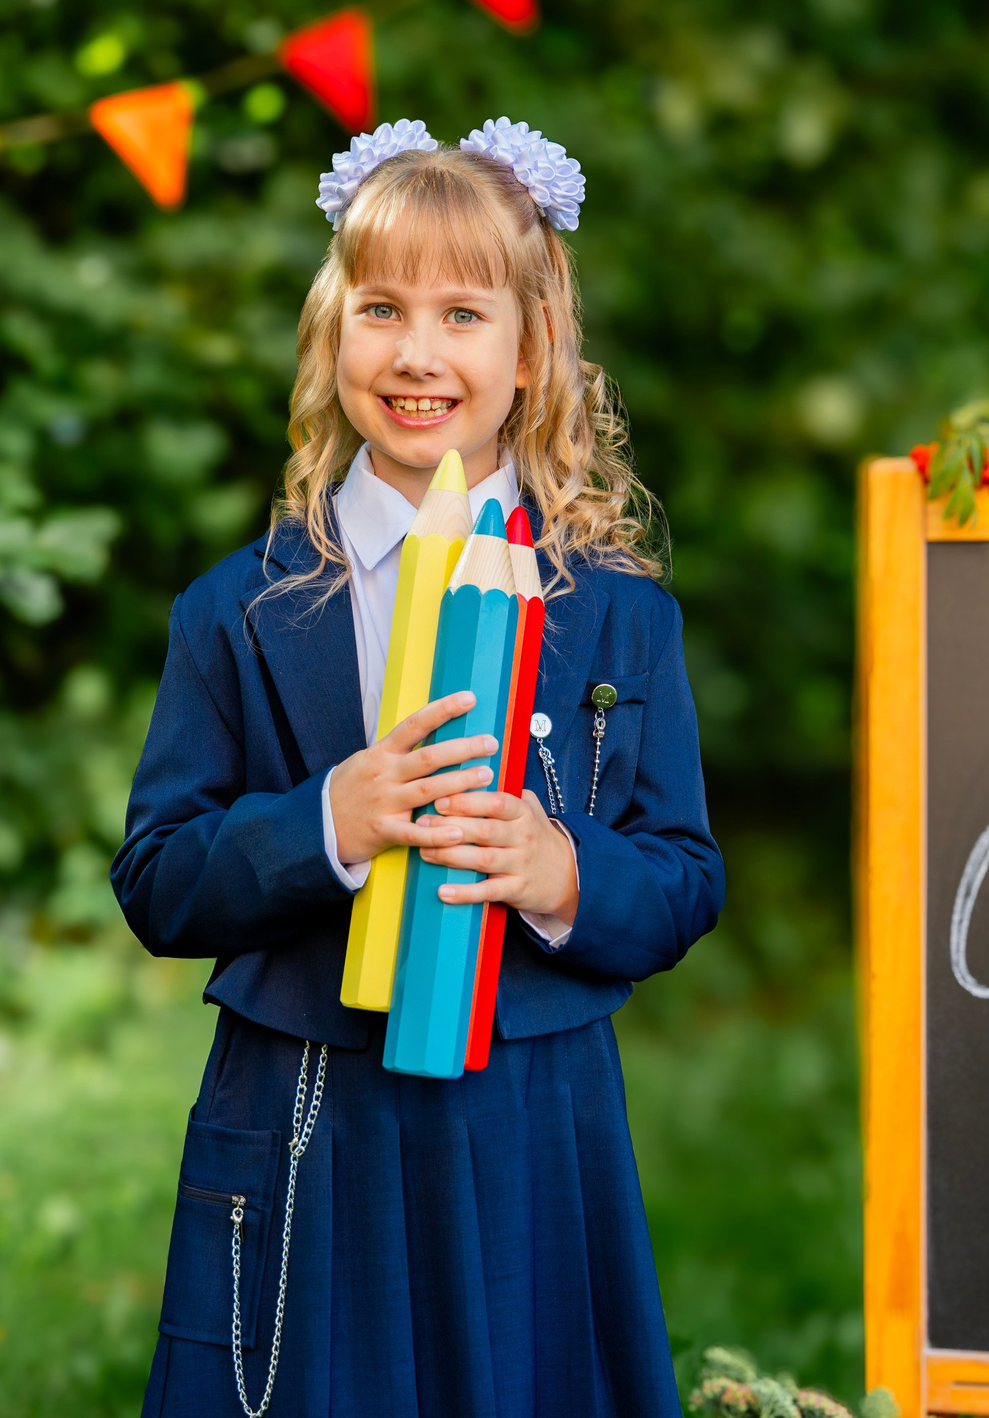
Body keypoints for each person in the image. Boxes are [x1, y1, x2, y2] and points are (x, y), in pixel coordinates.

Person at [115, 117, 725, 1418]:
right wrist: (326, 820)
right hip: (307, 1109)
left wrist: (562, 872)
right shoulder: (235, 611)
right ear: (333, 333)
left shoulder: (620, 615)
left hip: (531, 1111)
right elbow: (159, 882)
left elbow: (681, 879)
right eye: (382, 308)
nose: (417, 354)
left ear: (529, 350)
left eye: (462, 314)